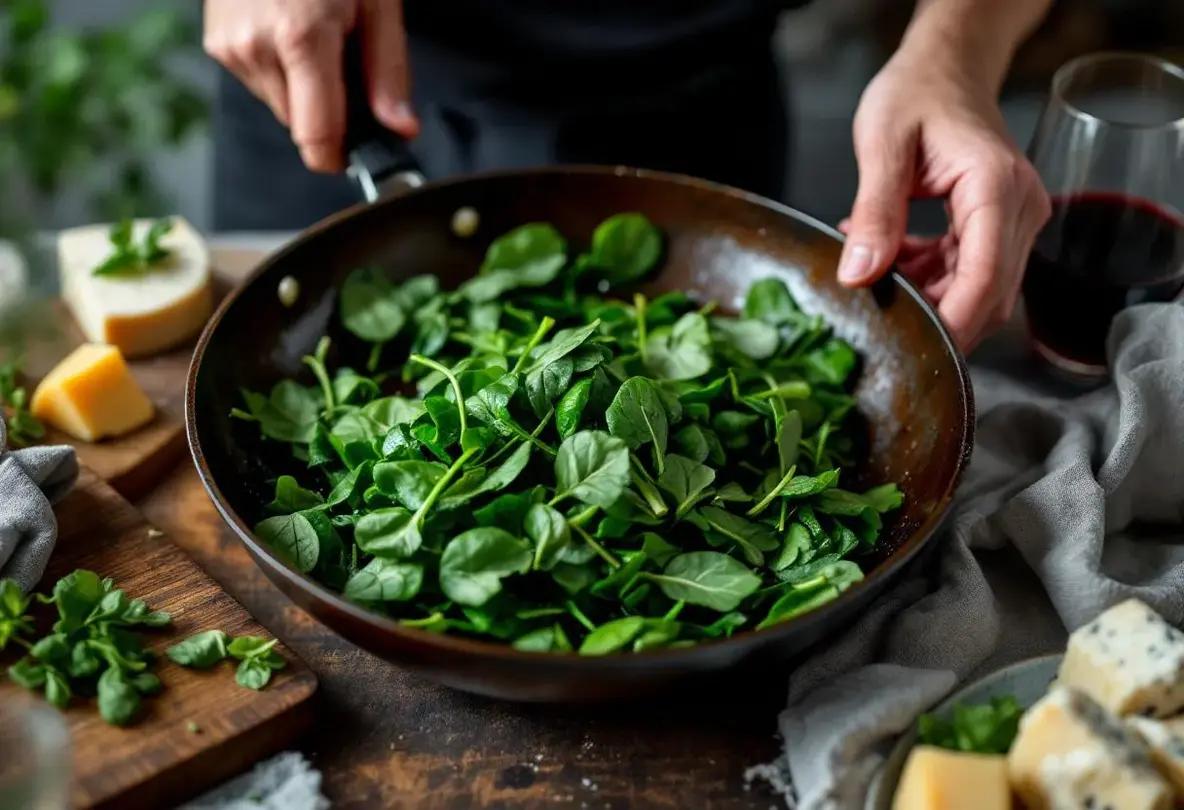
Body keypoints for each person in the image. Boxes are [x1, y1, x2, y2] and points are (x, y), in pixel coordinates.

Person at [204, 0, 1052, 352]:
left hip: (697, 94)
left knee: (701, 317)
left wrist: (956, 52)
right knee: (293, 337)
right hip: (347, 65)